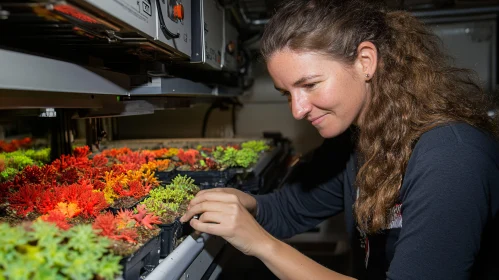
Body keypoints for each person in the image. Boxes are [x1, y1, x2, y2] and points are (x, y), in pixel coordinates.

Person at [180, 0, 499, 279]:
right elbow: (290, 210)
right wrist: (245, 203)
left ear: (365, 62)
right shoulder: (360, 139)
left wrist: (263, 246)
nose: (297, 110)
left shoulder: (452, 158)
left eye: (310, 85)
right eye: (286, 94)